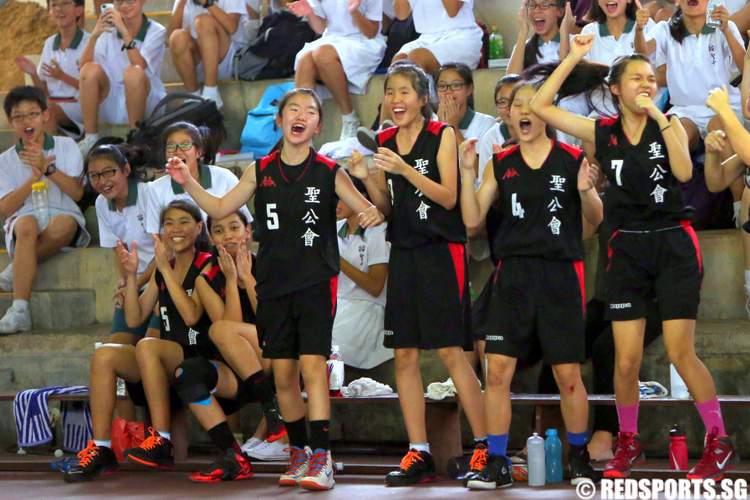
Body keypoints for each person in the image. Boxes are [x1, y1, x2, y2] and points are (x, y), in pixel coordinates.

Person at [531, 34, 738, 480]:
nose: (646, 83)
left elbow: (684, 172)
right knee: (624, 360)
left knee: (682, 351)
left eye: (650, 77)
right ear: (616, 89)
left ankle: (719, 442)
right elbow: (542, 107)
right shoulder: (602, 131)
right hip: (625, 245)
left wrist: (658, 114)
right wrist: (574, 56)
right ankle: (628, 443)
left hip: (673, 242)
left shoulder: (672, 121)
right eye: (637, 79)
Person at [165, 87, 383, 491]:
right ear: (280, 121)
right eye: (293, 110)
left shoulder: (327, 171)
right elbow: (217, 208)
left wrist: (369, 202)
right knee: (283, 375)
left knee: (313, 368)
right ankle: (299, 452)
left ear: (319, 124)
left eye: (310, 111)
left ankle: (322, 457)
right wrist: (188, 181)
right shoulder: (260, 169)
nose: (301, 115)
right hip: (274, 285)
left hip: (316, 282)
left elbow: (365, 207)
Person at [347, 63, 487, 487]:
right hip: (404, 251)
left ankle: (484, 446)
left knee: (449, 351)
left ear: (423, 98)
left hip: (441, 252)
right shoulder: (385, 141)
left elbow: (447, 197)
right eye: (390, 92)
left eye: (405, 91)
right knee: (404, 355)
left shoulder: (443, 135)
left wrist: (404, 169)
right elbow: (389, 206)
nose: (397, 99)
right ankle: (418, 451)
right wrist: (367, 187)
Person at [458, 80, 603, 489]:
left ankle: (579, 458)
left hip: (560, 274)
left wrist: (587, 191)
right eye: (514, 106)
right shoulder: (500, 163)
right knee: (498, 371)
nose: (522, 111)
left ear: (545, 111)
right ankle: (498, 462)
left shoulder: (572, 158)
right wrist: (468, 172)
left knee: (568, 374)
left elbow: (594, 222)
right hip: (513, 275)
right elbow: (472, 222)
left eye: (530, 104)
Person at [0, 86, 90, 334]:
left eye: (32, 114)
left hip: (63, 214)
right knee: (26, 224)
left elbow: (77, 193)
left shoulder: (67, 146)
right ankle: (20, 310)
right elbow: (5, 208)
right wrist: (34, 177)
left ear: (45, 116)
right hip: (24, 220)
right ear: (10, 122)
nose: (26, 121)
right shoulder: (4, 160)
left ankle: (17, 266)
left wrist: (48, 169)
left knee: (64, 223)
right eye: (18, 117)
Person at [202, 210, 290, 462]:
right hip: (243, 362)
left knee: (220, 329)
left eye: (234, 228)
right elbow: (230, 328)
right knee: (219, 330)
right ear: (211, 238)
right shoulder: (206, 277)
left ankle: (272, 416)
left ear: (248, 232)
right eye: (218, 231)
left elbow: (271, 321)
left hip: (277, 346)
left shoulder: (269, 263)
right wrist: (231, 280)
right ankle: (271, 418)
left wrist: (247, 277)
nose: (228, 236)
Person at [77, 0, 167, 155]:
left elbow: (139, 64)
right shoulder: (109, 31)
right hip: (112, 97)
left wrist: (124, 31)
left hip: (144, 96)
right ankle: (90, 137)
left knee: (134, 72)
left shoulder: (156, 30)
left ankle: (135, 138)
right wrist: (94, 35)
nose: (125, 6)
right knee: (90, 69)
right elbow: (83, 69)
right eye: (119, 2)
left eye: (130, 1)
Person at [87, 143, 155, 345]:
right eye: (94, 176)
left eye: (109, 172)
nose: (102, 181)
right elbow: (119, 249)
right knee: (116, 345)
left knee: (151, 342)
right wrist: (124, 282)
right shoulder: (101, 203)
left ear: (126, 169)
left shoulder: (149, 194)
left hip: (162, 279)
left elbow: (166, 252)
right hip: (136, 281)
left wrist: (136, 283)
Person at [289, 0, 386, 140]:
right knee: (304, 60)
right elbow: (322, 28)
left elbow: (371, 32)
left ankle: (350, 118)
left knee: (322, 55)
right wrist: (309, 13)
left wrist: (354, 11)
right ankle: (304, 133)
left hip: (364, 42)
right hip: (332, 39)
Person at [145, 121, 252, 235]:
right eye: (171, 146)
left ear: (198, 152)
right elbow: (156, 236)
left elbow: (245, 225)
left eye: (185, 145)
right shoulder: (155, 188)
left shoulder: (225, 178)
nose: (177, 151)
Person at [332, 177, 392, 369]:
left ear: (360, 197)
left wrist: (339, 261)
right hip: (335, 305)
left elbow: (376, 287)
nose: (336, 204)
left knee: (329, 347)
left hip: (365, 310)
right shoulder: (333, 229)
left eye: (341, 197)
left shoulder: (377, 231)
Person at [15, 0, 89, 136]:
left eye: (65, 4)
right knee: (19, 113)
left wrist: (62, 76)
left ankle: (49, 154)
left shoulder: (88, 42)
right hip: (52, 104)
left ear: (79, 10)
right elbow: (43, 91)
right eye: (54, 5)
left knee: (46, 112)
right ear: (49, 11)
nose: (59, 9)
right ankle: (25, 155)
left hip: (80, 106)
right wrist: (33, 73)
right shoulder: (49, 43)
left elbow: (94, 89)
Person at [168, 0, 248, 109]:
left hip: (228, 58)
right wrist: (181, 3)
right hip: (198, 61)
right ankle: (193, 96)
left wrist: (207, 3)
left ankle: (211, 92)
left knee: (203, 22)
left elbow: (232, 27)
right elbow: (169, 38)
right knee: (177, 36)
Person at [392, 0, 483, 76]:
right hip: (426, 38)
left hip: (460, 35)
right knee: (398, 63)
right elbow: (401, 14)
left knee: (417, 58)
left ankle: (428, 97)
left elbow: (452, 10)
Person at [564, 0, 656, 65]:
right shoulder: (589, 31)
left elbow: (648, 58)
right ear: (597, 2)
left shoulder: (647, 24)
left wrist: (639, 29)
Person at [435, 63, 496, 147]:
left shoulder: (486, 123)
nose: (448, 91)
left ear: (469, 89)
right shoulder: (429, 123)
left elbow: (475, 160)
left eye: (456, 85)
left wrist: (452, 127)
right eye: (442, 86)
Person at [507, 0, 564, 75]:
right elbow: (510, 82)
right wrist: (523, 31)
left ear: (560, 11)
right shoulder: (522, 47)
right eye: (532, 5)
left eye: (544, 5)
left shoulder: (574, 43)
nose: (536, 10)